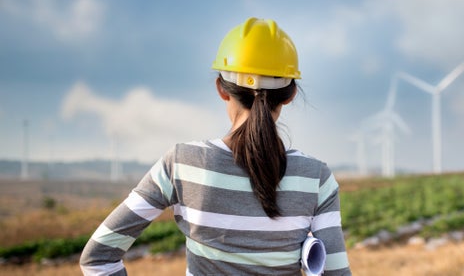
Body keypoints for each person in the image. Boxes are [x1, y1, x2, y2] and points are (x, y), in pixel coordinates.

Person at [80, 17, 352, 275]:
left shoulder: (182, 164)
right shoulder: (316, 178)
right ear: (290, 94)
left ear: (221, 89)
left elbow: (98, 257)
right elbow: (335, 273)